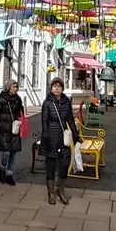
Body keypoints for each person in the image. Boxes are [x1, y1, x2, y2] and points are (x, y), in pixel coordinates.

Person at [39, 76, 80, 205]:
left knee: (64, 164)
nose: (56, 89)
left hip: (63, 137)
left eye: (59, 86)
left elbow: (70, 119)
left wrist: (75, 133)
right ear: (51, 89)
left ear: (62, 88)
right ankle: (51, 193)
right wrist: (45, 133)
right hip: (51, 136)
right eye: (54, 87)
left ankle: (60, 190)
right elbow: (44, 120)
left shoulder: (66, 102)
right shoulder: (47, 103)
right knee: (50, 165)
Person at [0, 77, 24, 185]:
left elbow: (20, 112)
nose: (15, 89)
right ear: (8, 87)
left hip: (14, 129)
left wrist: (21, 118)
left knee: (13, 152)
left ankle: (9, 175)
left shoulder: (18, 99)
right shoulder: (2, 99)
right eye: (14, 87)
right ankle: (2, 169)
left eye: (16, 87)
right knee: (6, 152)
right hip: (4, 129)